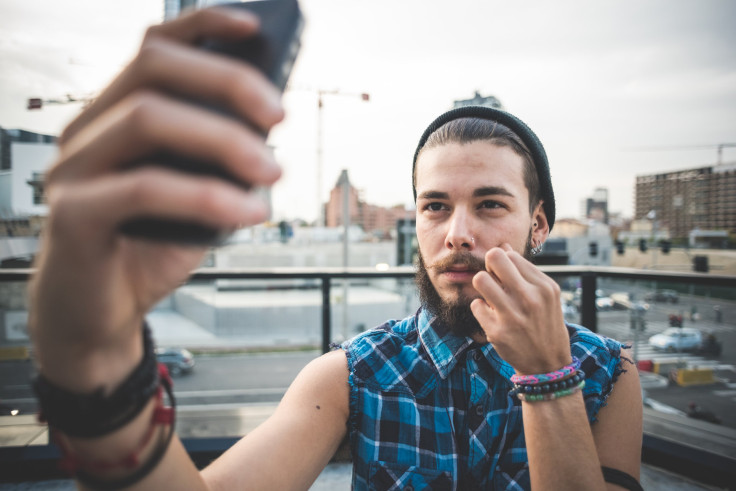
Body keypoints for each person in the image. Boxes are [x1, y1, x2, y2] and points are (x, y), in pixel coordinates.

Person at [28, 5, 643, 491]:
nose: (457, 232)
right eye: (434, 206)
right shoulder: (354, 374)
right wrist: (91, 359)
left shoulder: (607, 375)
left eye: (489, 204)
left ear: (539, 226)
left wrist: (547, 380)